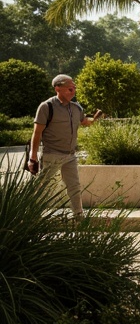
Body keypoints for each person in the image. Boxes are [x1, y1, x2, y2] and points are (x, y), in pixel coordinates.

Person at [29, 74, 104, 218]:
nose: (73, 91)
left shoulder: (76, 108)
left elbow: (84, 121)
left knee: (74, 186)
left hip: (70, 156)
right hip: (52, 154)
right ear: (57, 88)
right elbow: (37, 133)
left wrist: (94, 119)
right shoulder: (46, 107)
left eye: (74, 88)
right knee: (43, 187)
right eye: (70, 88)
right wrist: (32, 158)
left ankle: (79, 216)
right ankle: (32, 215)